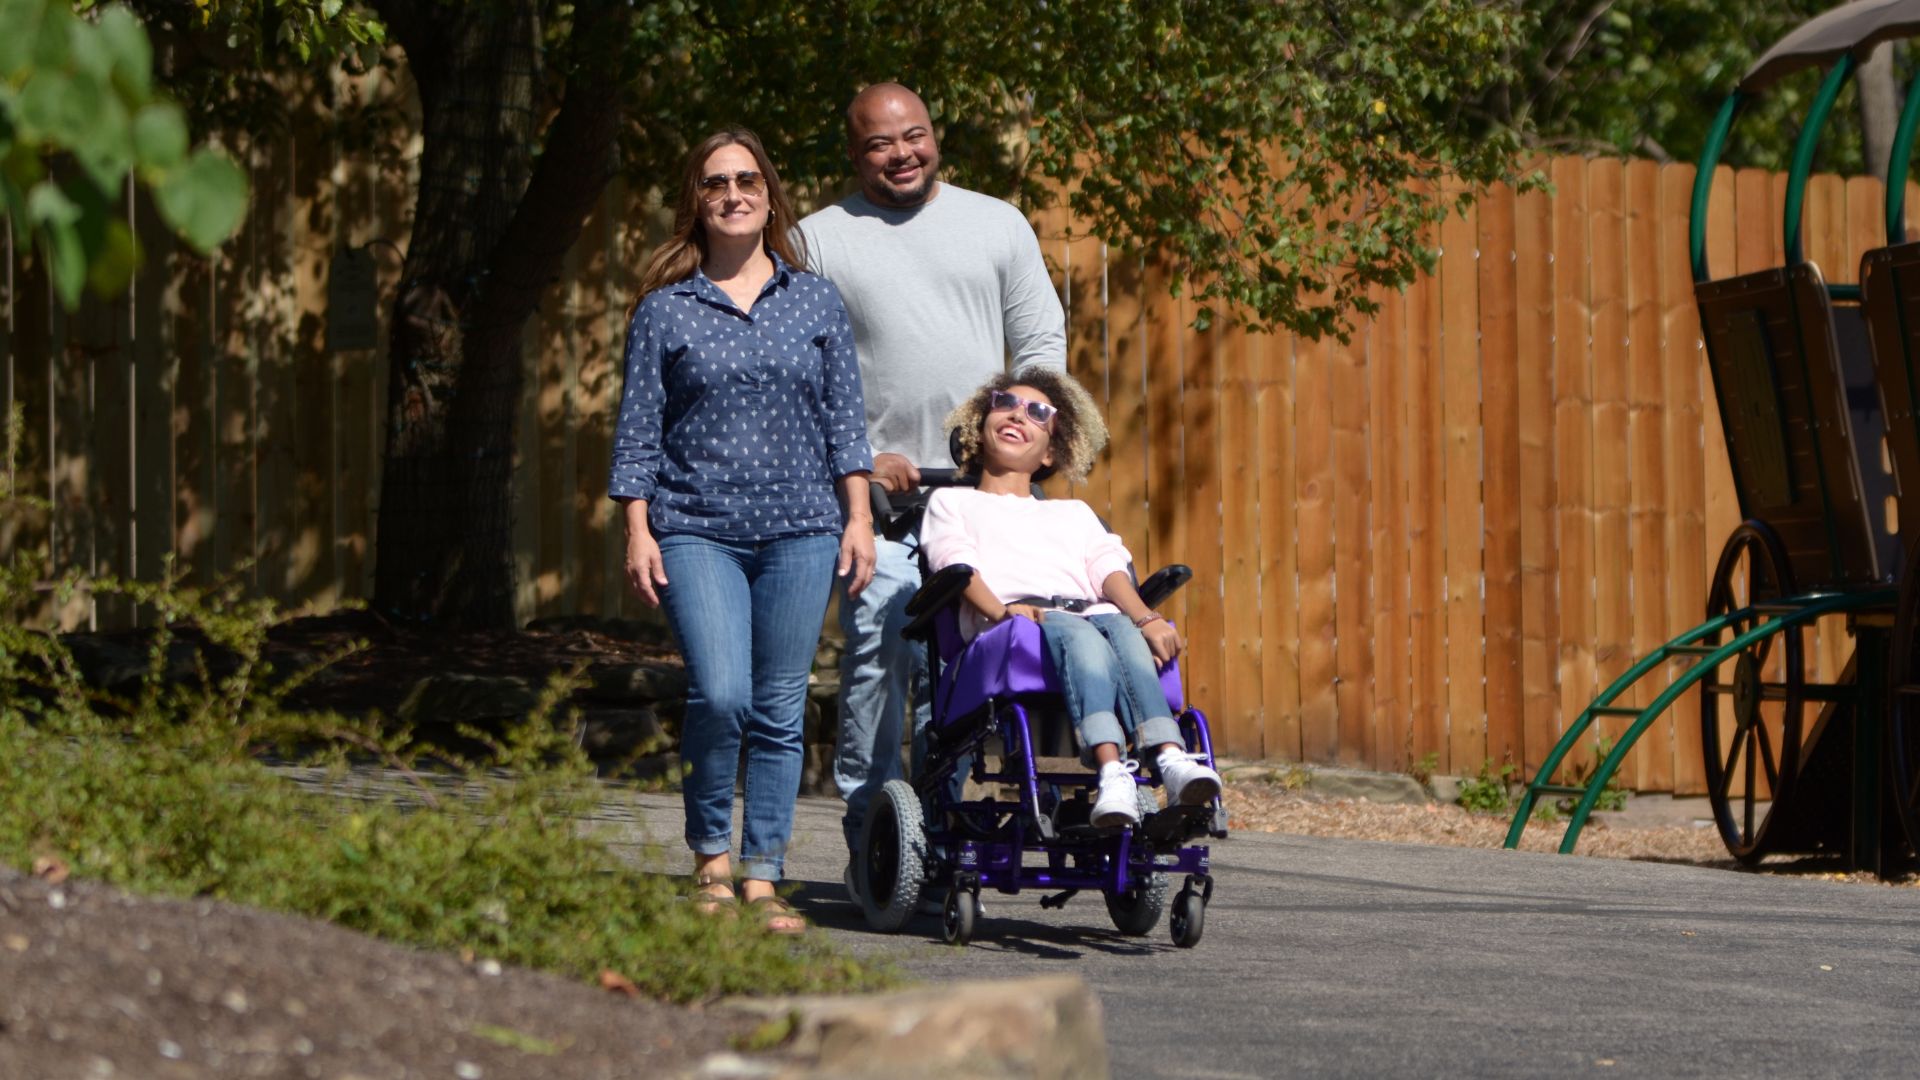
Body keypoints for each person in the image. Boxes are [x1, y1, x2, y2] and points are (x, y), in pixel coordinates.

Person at [799, 83, 1068, 889]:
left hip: (984, 498)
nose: (901, 153)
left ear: (934, 136)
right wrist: (856, 456)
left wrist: (1020, 452)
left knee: (964, 676)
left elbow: (1041, 344)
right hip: (878, 501)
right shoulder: (817, 240)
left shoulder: (996, 223)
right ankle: (872, 846)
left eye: (913, 136)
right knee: (880, 666)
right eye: (881, 144)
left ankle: (941, 844)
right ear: (855, 152)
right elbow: (801, 371)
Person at [609, 128, 876, 935]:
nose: (733, 194)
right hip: (696, 529)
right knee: (720, 693)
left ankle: (762, 875)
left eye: (747, 180)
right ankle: (709, 861)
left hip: (802, 529)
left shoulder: (816, 299)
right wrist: (637, 528)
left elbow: (846, 425)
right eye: (716, 182)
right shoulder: (665, 310)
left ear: (769, 193)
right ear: (696, 198)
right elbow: (636, 432)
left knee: (779, 707)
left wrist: (858, 518)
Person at [918, 368, 1222, 826]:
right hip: (1020, 621)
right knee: (1078, 632)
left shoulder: (1074, 513)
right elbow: (956, 566)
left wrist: (1147, 619)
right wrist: (1003, 612)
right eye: (1005, 403)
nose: (1018, 414)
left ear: (1051, 452)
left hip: (1094, 617)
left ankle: (1171, 759)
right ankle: (1111, 768)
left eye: (1038, 413)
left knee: (1120, 626)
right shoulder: (951, 502)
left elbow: (1108, 570)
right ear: (980, 427)